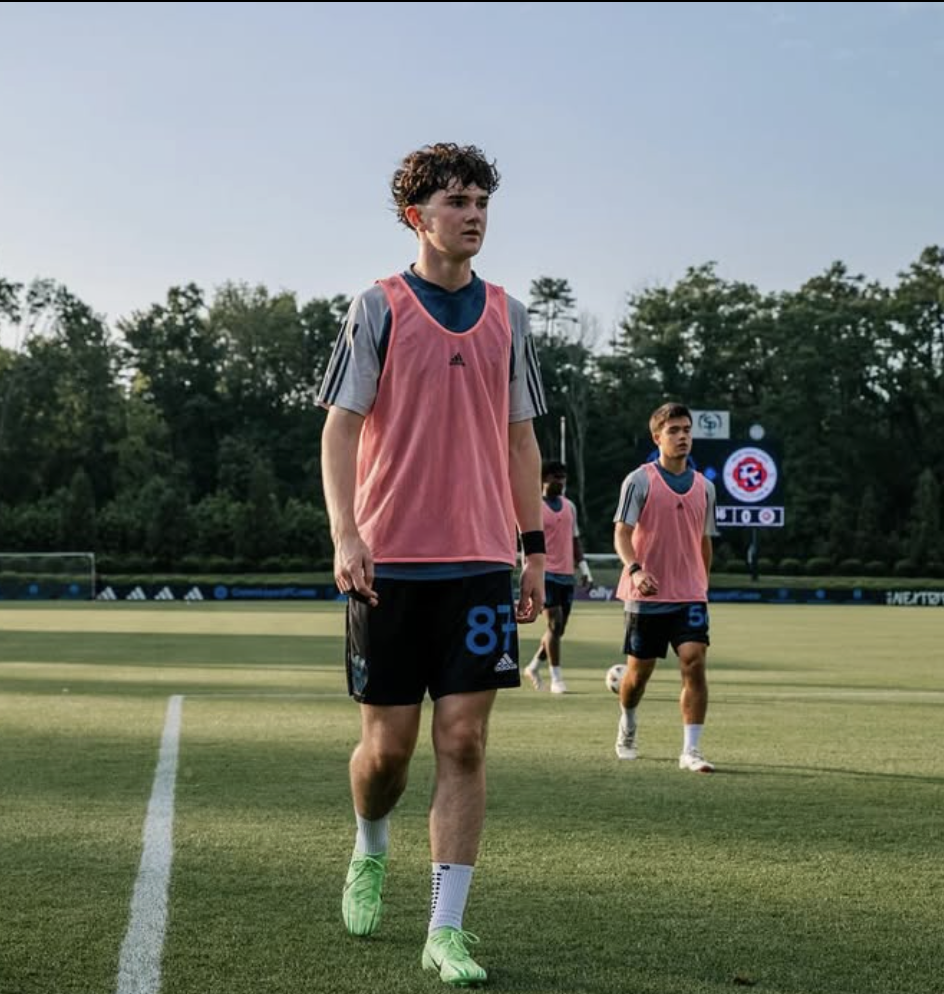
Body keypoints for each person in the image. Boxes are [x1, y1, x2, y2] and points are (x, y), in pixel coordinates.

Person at [318, 142, 547, 987]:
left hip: (481, 562)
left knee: (466, 741)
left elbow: (522, 438)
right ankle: (370, 847)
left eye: (482, 200)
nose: (474, 214)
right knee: (389, 752)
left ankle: (446, 930)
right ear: (417, 216)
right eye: (456, 201)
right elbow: (340, 427)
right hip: (390, 563)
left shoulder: (510, 315)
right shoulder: (376, 307)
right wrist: (347, 532)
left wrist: (533, 551)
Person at [611, 402, 719, 772]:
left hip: (689, 594)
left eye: (686, 429)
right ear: (657, 437)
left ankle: (691, 750)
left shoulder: (705, 487)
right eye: (673, 430)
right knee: (638, 676)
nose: (682, 436)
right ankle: (627, 721)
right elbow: (621, 534)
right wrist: (636, 570)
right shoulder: (638, 480)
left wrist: (702, 584)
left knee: (695, 662)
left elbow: (705, 542)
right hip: (646, 595)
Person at [524, 459, 593, 694]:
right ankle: (556, 678)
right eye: (555, 477)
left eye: (563, 477)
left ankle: (533, 666)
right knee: (555, 623)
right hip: (546, 573)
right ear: (544, 479)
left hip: (566, 574)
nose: (560, 481)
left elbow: (575, 540)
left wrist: (584, 569)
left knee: (559, 629)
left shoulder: (569, 507)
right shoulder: (534, 507)